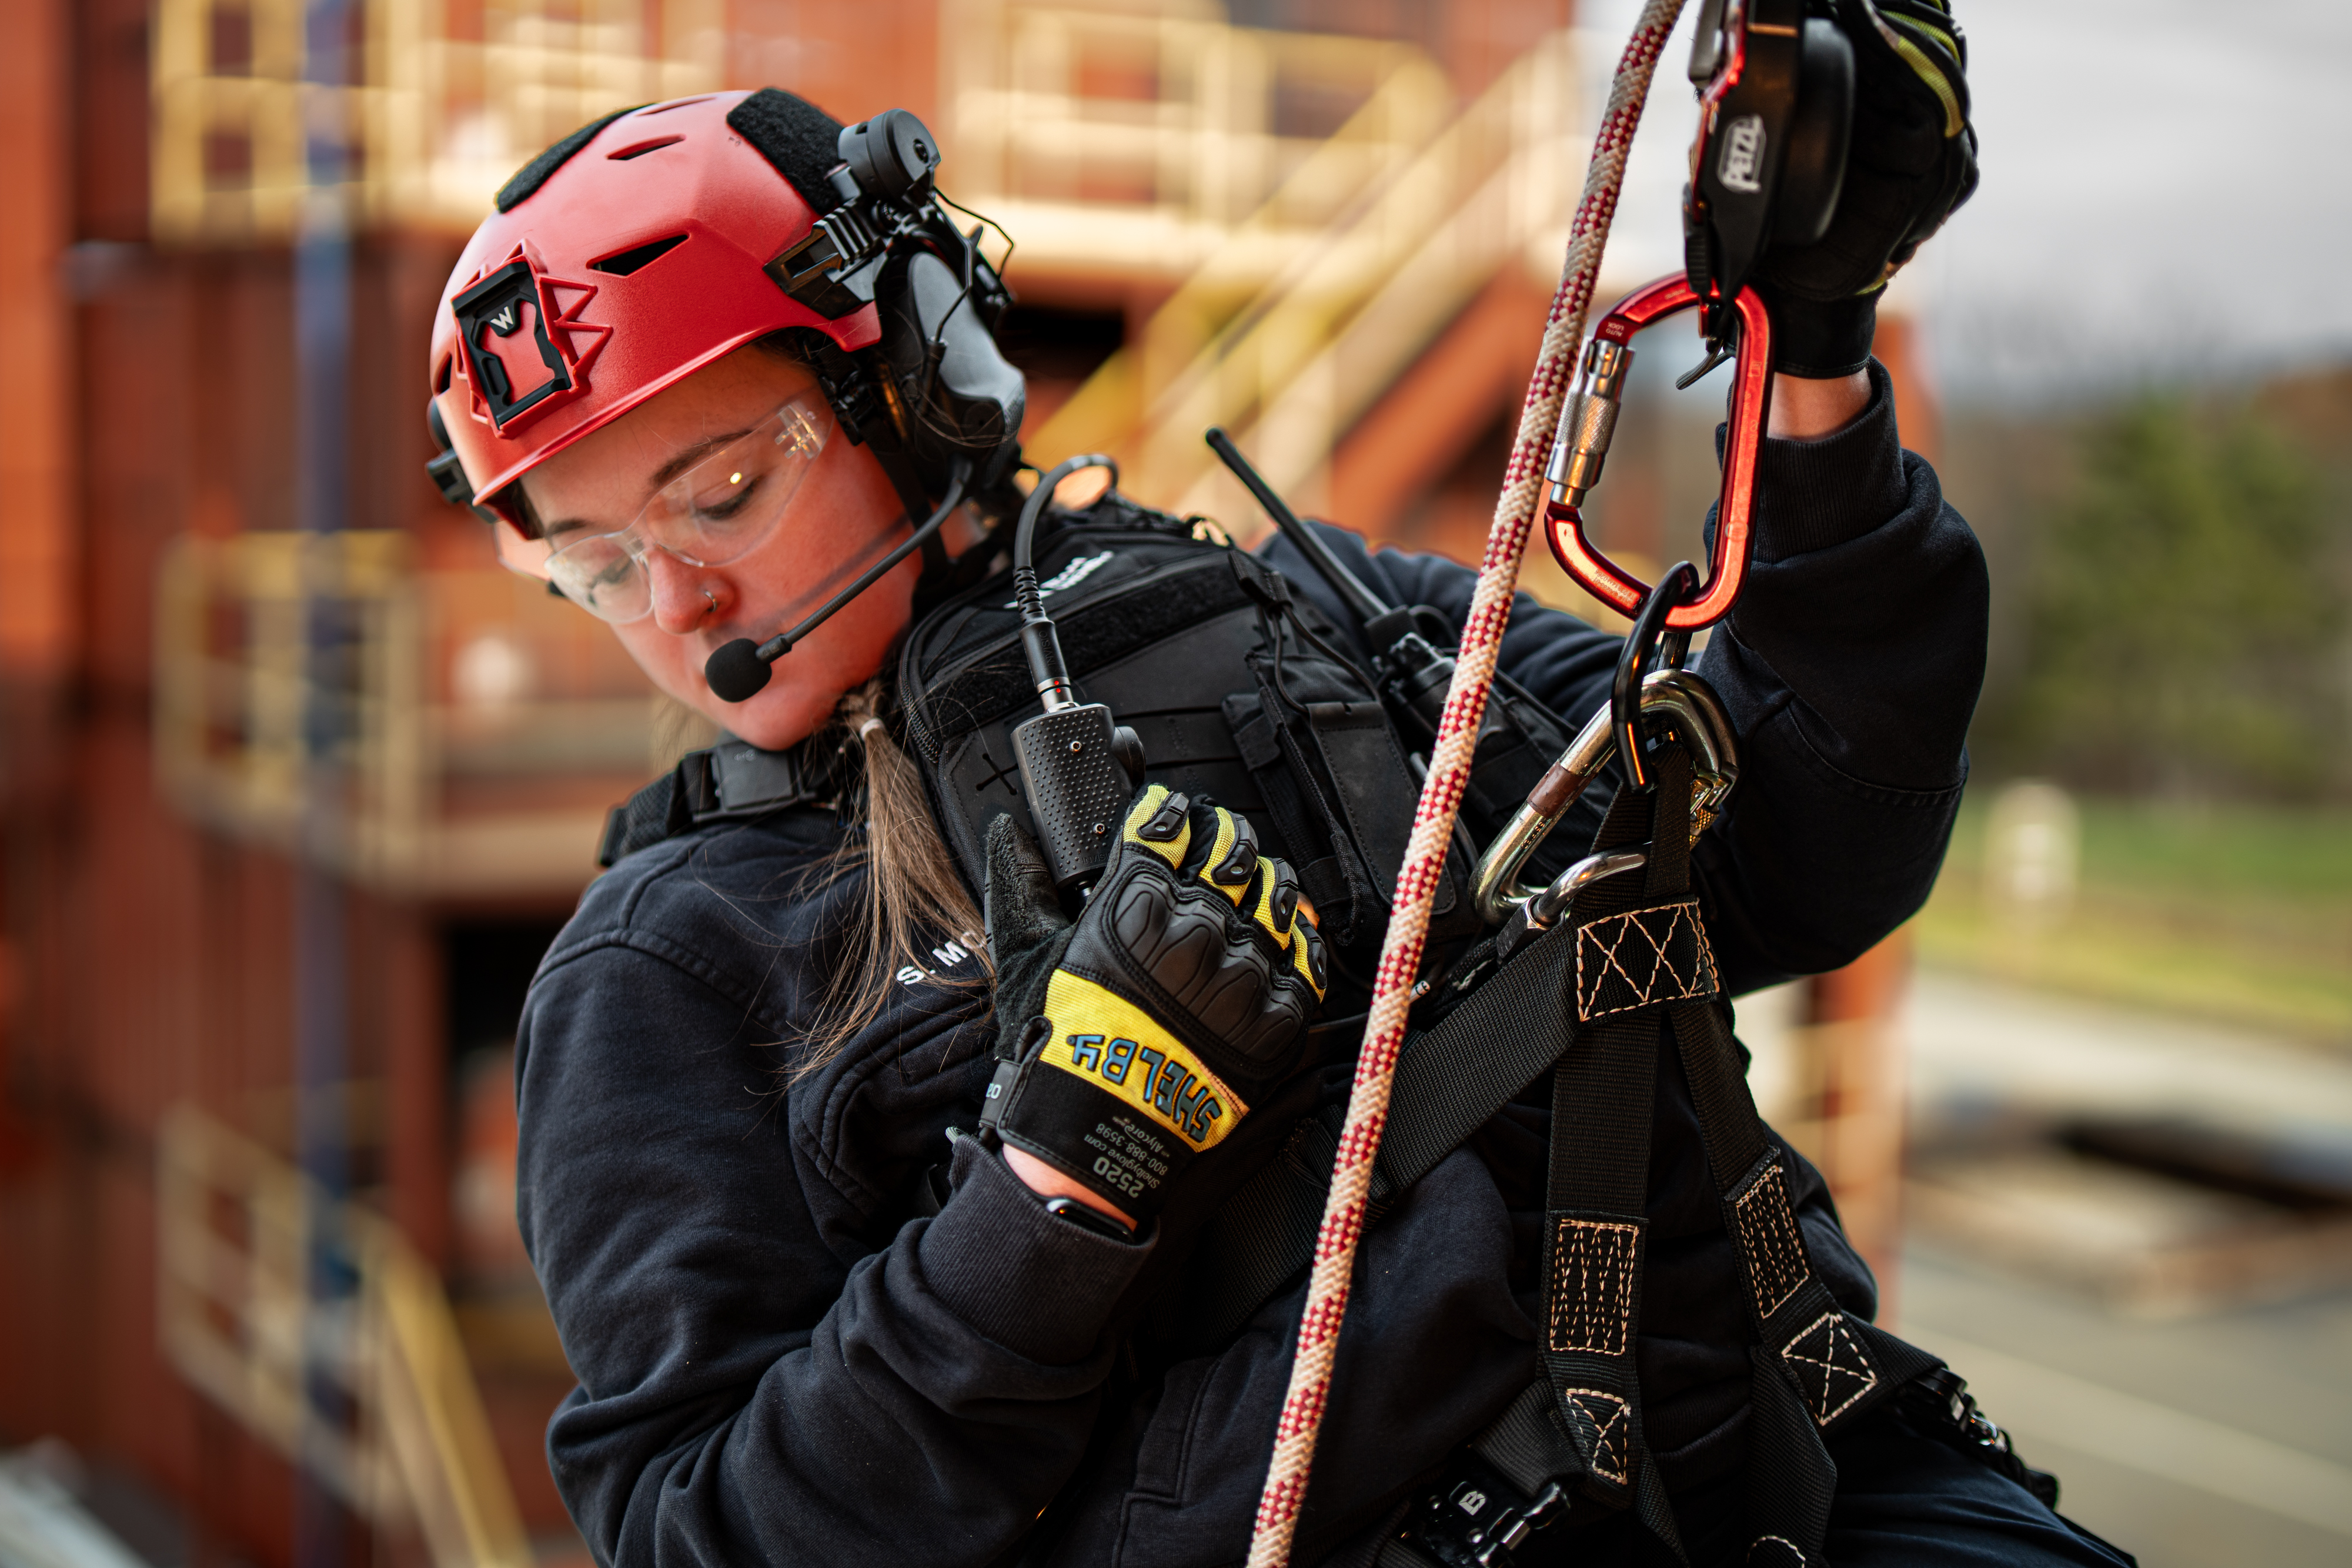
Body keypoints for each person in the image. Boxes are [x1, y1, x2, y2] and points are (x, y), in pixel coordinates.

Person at [425, 21, 2135, 1567]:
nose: (674, 603)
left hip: (1812, 1474)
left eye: (717, 490)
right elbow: (715, 1532)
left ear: (920, 369)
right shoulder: (670, 967)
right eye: (591, 565)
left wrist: (1814, 358)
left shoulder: (1337, 618)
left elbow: (1813, 839)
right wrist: (1057, 1180)